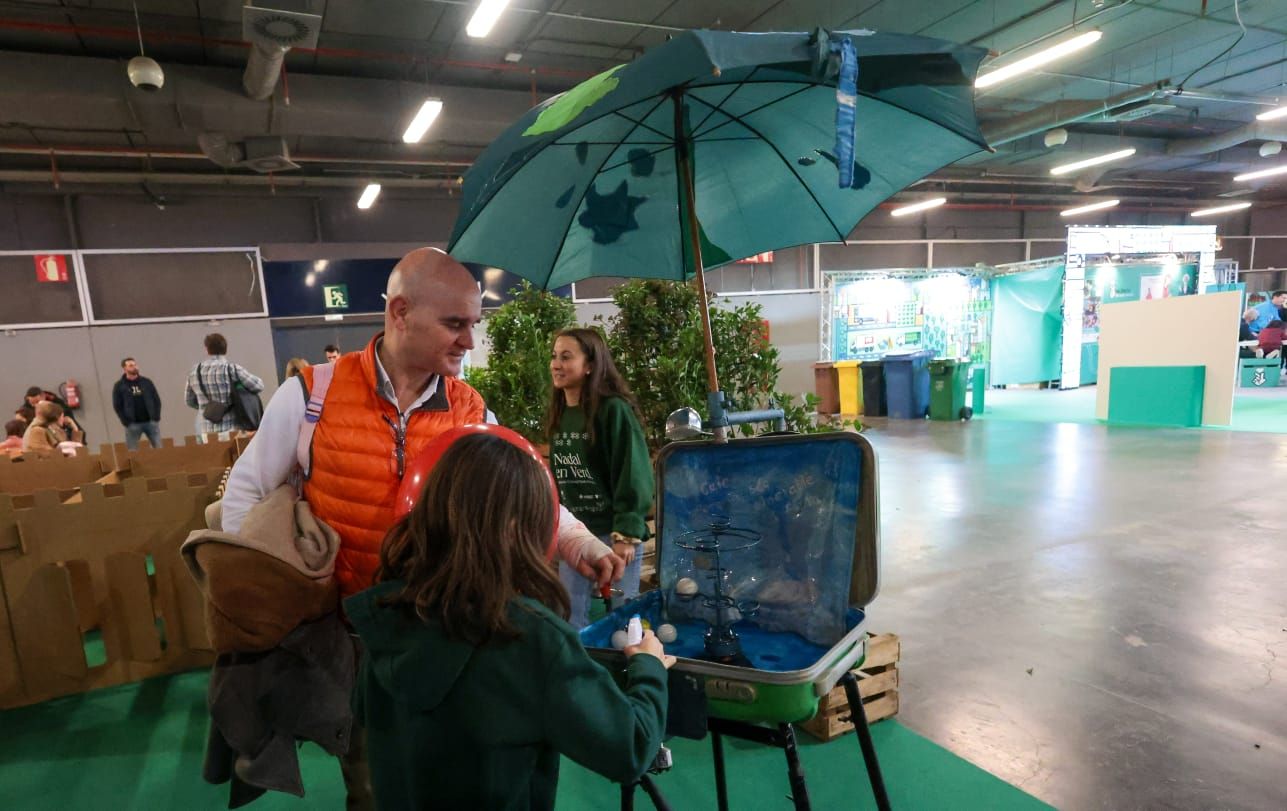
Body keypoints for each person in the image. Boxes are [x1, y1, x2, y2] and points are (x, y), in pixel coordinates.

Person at [219, 247, 623, 807]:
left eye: (473, 324)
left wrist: (578, 541)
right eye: (455, 324)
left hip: (449, 635)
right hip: (356, 638)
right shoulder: (312, 395)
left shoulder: (469, 408)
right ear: (401, 312)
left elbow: (521, 487)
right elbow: (244, 495)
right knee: (376, 783)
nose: (469, 341)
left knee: (451, 780)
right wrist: (264, 595)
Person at [346, 432, 671, 810]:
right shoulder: (529, 636)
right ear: (518, 530)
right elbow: (630, 747)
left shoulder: (385, 612)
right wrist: (648, 668)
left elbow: (367, 713)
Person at [547, 327, 654, 628]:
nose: (556, 364)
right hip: (576, 536)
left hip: (614, 534)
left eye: (566, 357)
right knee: (571, 618)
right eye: (554, 356)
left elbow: (633, 471)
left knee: (621, 621)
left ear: (590, 365)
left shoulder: (613, 410)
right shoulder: (560, 414)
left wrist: (626, 534)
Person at [184, 333, 265, 440]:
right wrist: (239, 386)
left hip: (206, 433)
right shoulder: (232, 369)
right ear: (225, 349)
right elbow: (259, 386)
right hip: (232, 431)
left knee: (211, 452)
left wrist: (206, 407)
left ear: (207, 350)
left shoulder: (194, 371)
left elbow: (189, 401)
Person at [111, 357, 163, 450]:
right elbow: (117, 406)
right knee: (132, 451)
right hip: (132, 424)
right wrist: (126, 422)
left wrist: (156, 417)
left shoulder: (146, 382)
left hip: (150, 422)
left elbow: (156, 400)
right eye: (131, 365)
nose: (134, 367)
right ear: (125, 368)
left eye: (135, 365)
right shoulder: (119, 386)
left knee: (159, 448)